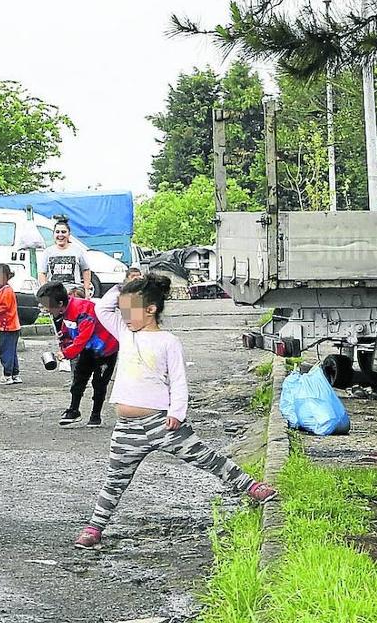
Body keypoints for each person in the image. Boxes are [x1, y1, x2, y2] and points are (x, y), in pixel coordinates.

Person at [73, 274, 278, 550]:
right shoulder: (125, 333)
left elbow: (179, 381)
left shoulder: (168, 341)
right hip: (127, 427)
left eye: (129, 310)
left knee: (207, 458)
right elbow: (101, 308)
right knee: (115, 479)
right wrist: (123, 285)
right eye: (122, 310)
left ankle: (252, 487)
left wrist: (177, 413)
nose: (124, 316)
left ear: (151, 309)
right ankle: (95, 528)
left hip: (162, 422)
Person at [37, 282, 117, 427]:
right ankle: (74, 410)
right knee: (78, 379)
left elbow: (82, 338)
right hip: (88, 350)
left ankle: (96, 415)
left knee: (99, 384)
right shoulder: (65, 311)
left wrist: (65, 353)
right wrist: (64, 337)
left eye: (48, 306)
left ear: (60, 303)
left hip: (105, 349)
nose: (46, 310)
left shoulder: (83, 310)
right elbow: (68, 328)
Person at [40, 216, 92, 298]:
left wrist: (86, 289)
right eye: (57, 232)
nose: (60, 235)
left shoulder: (77, 251)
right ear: (53, 234)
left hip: (75, 291)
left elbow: (86, 270)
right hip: (55, 292)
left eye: (63, 232)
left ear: (69, 234)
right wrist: (45, 290)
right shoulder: (47, 252)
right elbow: (42, 273)